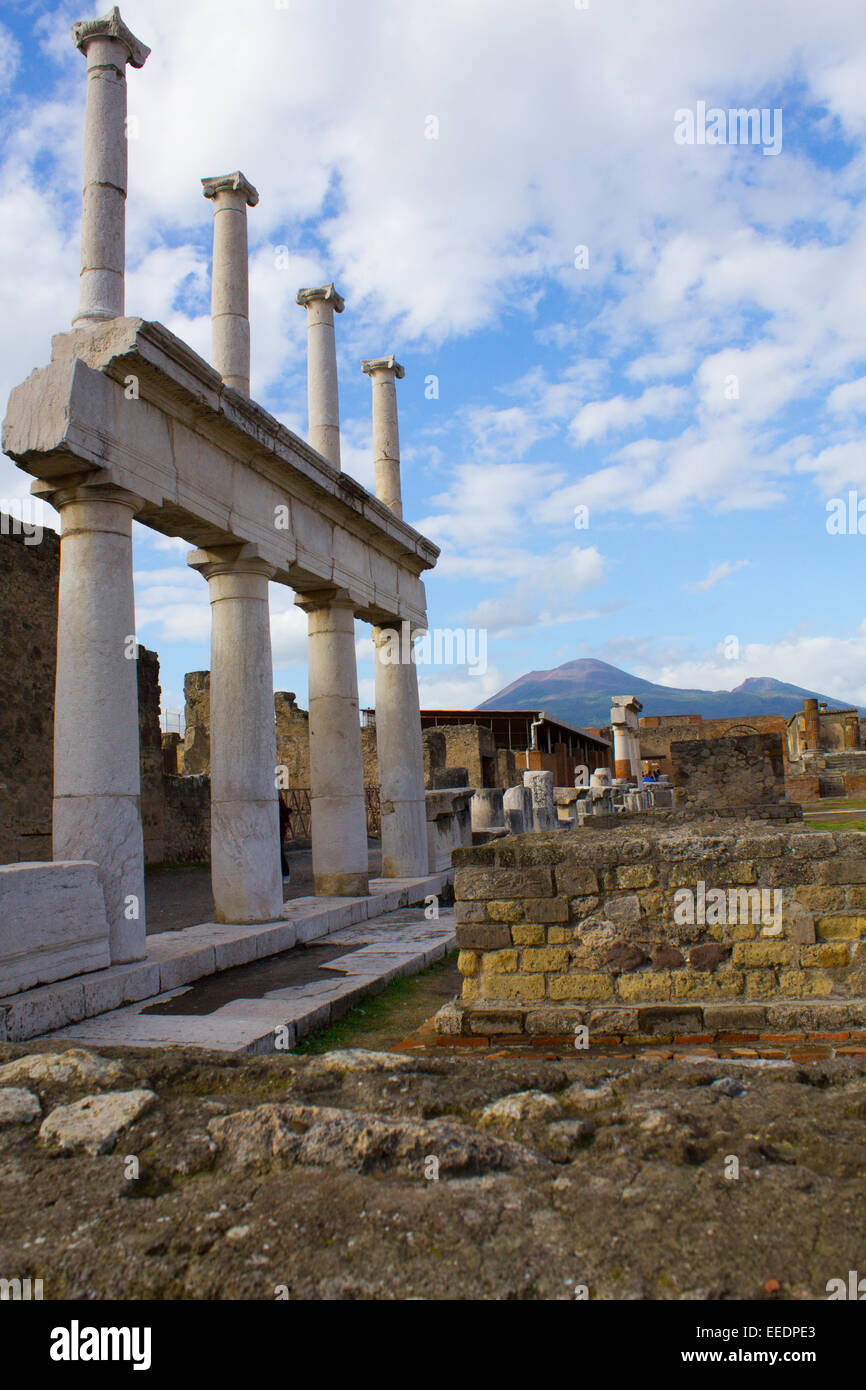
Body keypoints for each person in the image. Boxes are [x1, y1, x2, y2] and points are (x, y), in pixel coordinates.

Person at [279, 792, 291, 881]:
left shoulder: (280, 801)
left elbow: (285, 814)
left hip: (279, 830)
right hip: (278, 829)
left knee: (279, 852)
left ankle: (285, 874)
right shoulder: (280, 801)